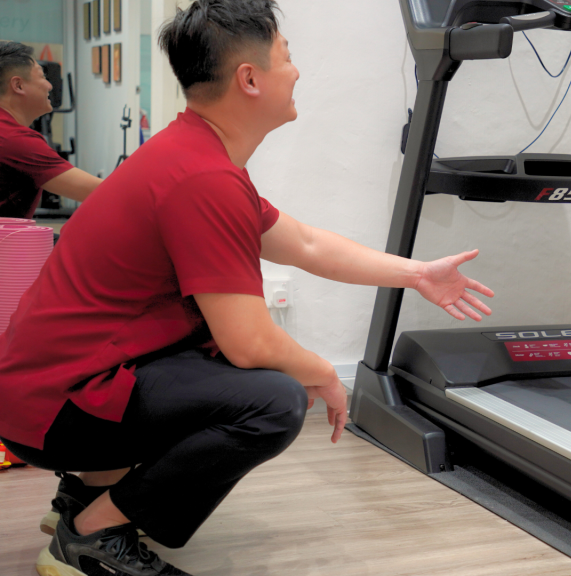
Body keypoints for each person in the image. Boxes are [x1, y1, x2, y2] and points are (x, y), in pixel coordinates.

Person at [0, 2, 494, 575]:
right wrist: (325, 374)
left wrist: (417, 273)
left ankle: (82, 499)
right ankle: (90, 536)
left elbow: (306, 244)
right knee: (274, 401)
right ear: (250, 79)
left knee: (223, 367)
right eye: (287, 57)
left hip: (43, 391)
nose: (297, 71)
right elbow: (251, 344)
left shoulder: (189, 154)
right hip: (52, 409)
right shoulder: (203, 177)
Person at [0, 41, 103, 219]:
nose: (50, 86)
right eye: (43, 77)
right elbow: (100, 192)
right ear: (18, 85)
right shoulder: (15, 140)